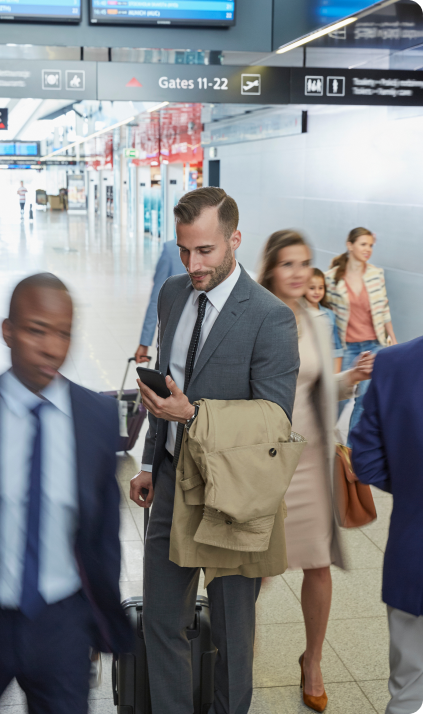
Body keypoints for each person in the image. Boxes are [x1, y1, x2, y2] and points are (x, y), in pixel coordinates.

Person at [130, 187, 300, 714]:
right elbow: (171, 384)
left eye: (204, 250)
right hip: (171, 476)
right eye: (184, 250)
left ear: (234, 240)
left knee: (231, 635)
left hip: (233, 493)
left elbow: (275, 421)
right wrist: (148, 460)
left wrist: (193, 415)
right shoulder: (173, 293)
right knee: (161, 621)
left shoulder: (269, 318)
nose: (192, 263)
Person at [0, 273, 132, 714]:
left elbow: (102, 533)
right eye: (38, 330)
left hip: (61, 626)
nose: (53, 348)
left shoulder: (94, 416)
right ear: (8, 331)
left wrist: (95, 625)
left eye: (64, 333)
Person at [259, 230, 374, 713]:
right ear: (270, 270)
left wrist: (349, 378)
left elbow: (319, 389)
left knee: (317, 565)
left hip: (312, 458)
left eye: (304, 263)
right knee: (255, 570)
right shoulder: (258, 319)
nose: (299, 272)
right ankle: (232, 646)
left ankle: (314, 662)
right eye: (288, 264)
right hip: (267, 463)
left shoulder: (316, 319)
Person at [350, 338, 423, 714]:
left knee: (409, 690)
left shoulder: (394, 362)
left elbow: (365, 459)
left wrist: (414, 493)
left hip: (414, 554)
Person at [325, 227, 396, 442]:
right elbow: (327, 314)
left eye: (371, 245)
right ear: (350, 245)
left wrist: (391, 339)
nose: (368, 249)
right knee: (335, 399)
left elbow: (383, 309)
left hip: (374, 345)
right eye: (363, 244)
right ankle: (323, 443)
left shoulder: (376, 274)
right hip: (347, 348)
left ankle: (350, 453)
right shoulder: (331, 278)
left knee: (364, 401)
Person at [135, 239, 186, 364]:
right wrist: (144, 341)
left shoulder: (225, 247)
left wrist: (144, 343)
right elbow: (157, 298)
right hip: (173, 341)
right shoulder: (171, 250)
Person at [305, 268, 343, 373]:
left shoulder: (329, 314)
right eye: (312, 288)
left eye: (320, 288)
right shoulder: (299, 313)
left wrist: (336, 374)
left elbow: (336, 347)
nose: (317, 292)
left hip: (325, 368)